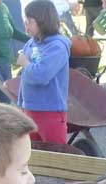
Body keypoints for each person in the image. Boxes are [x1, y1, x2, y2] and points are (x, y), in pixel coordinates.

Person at [17, 0, 71, 144]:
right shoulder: (31, 43)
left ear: (43, 22)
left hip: (50, 111)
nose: (25, 25)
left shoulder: (57, 47)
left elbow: (41, 75)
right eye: (25, 21)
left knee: (55, 155)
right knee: (32, 153)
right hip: (30, 108)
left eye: (29, 21)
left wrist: (26, 63)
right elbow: (25, 77)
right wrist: (21, 102)